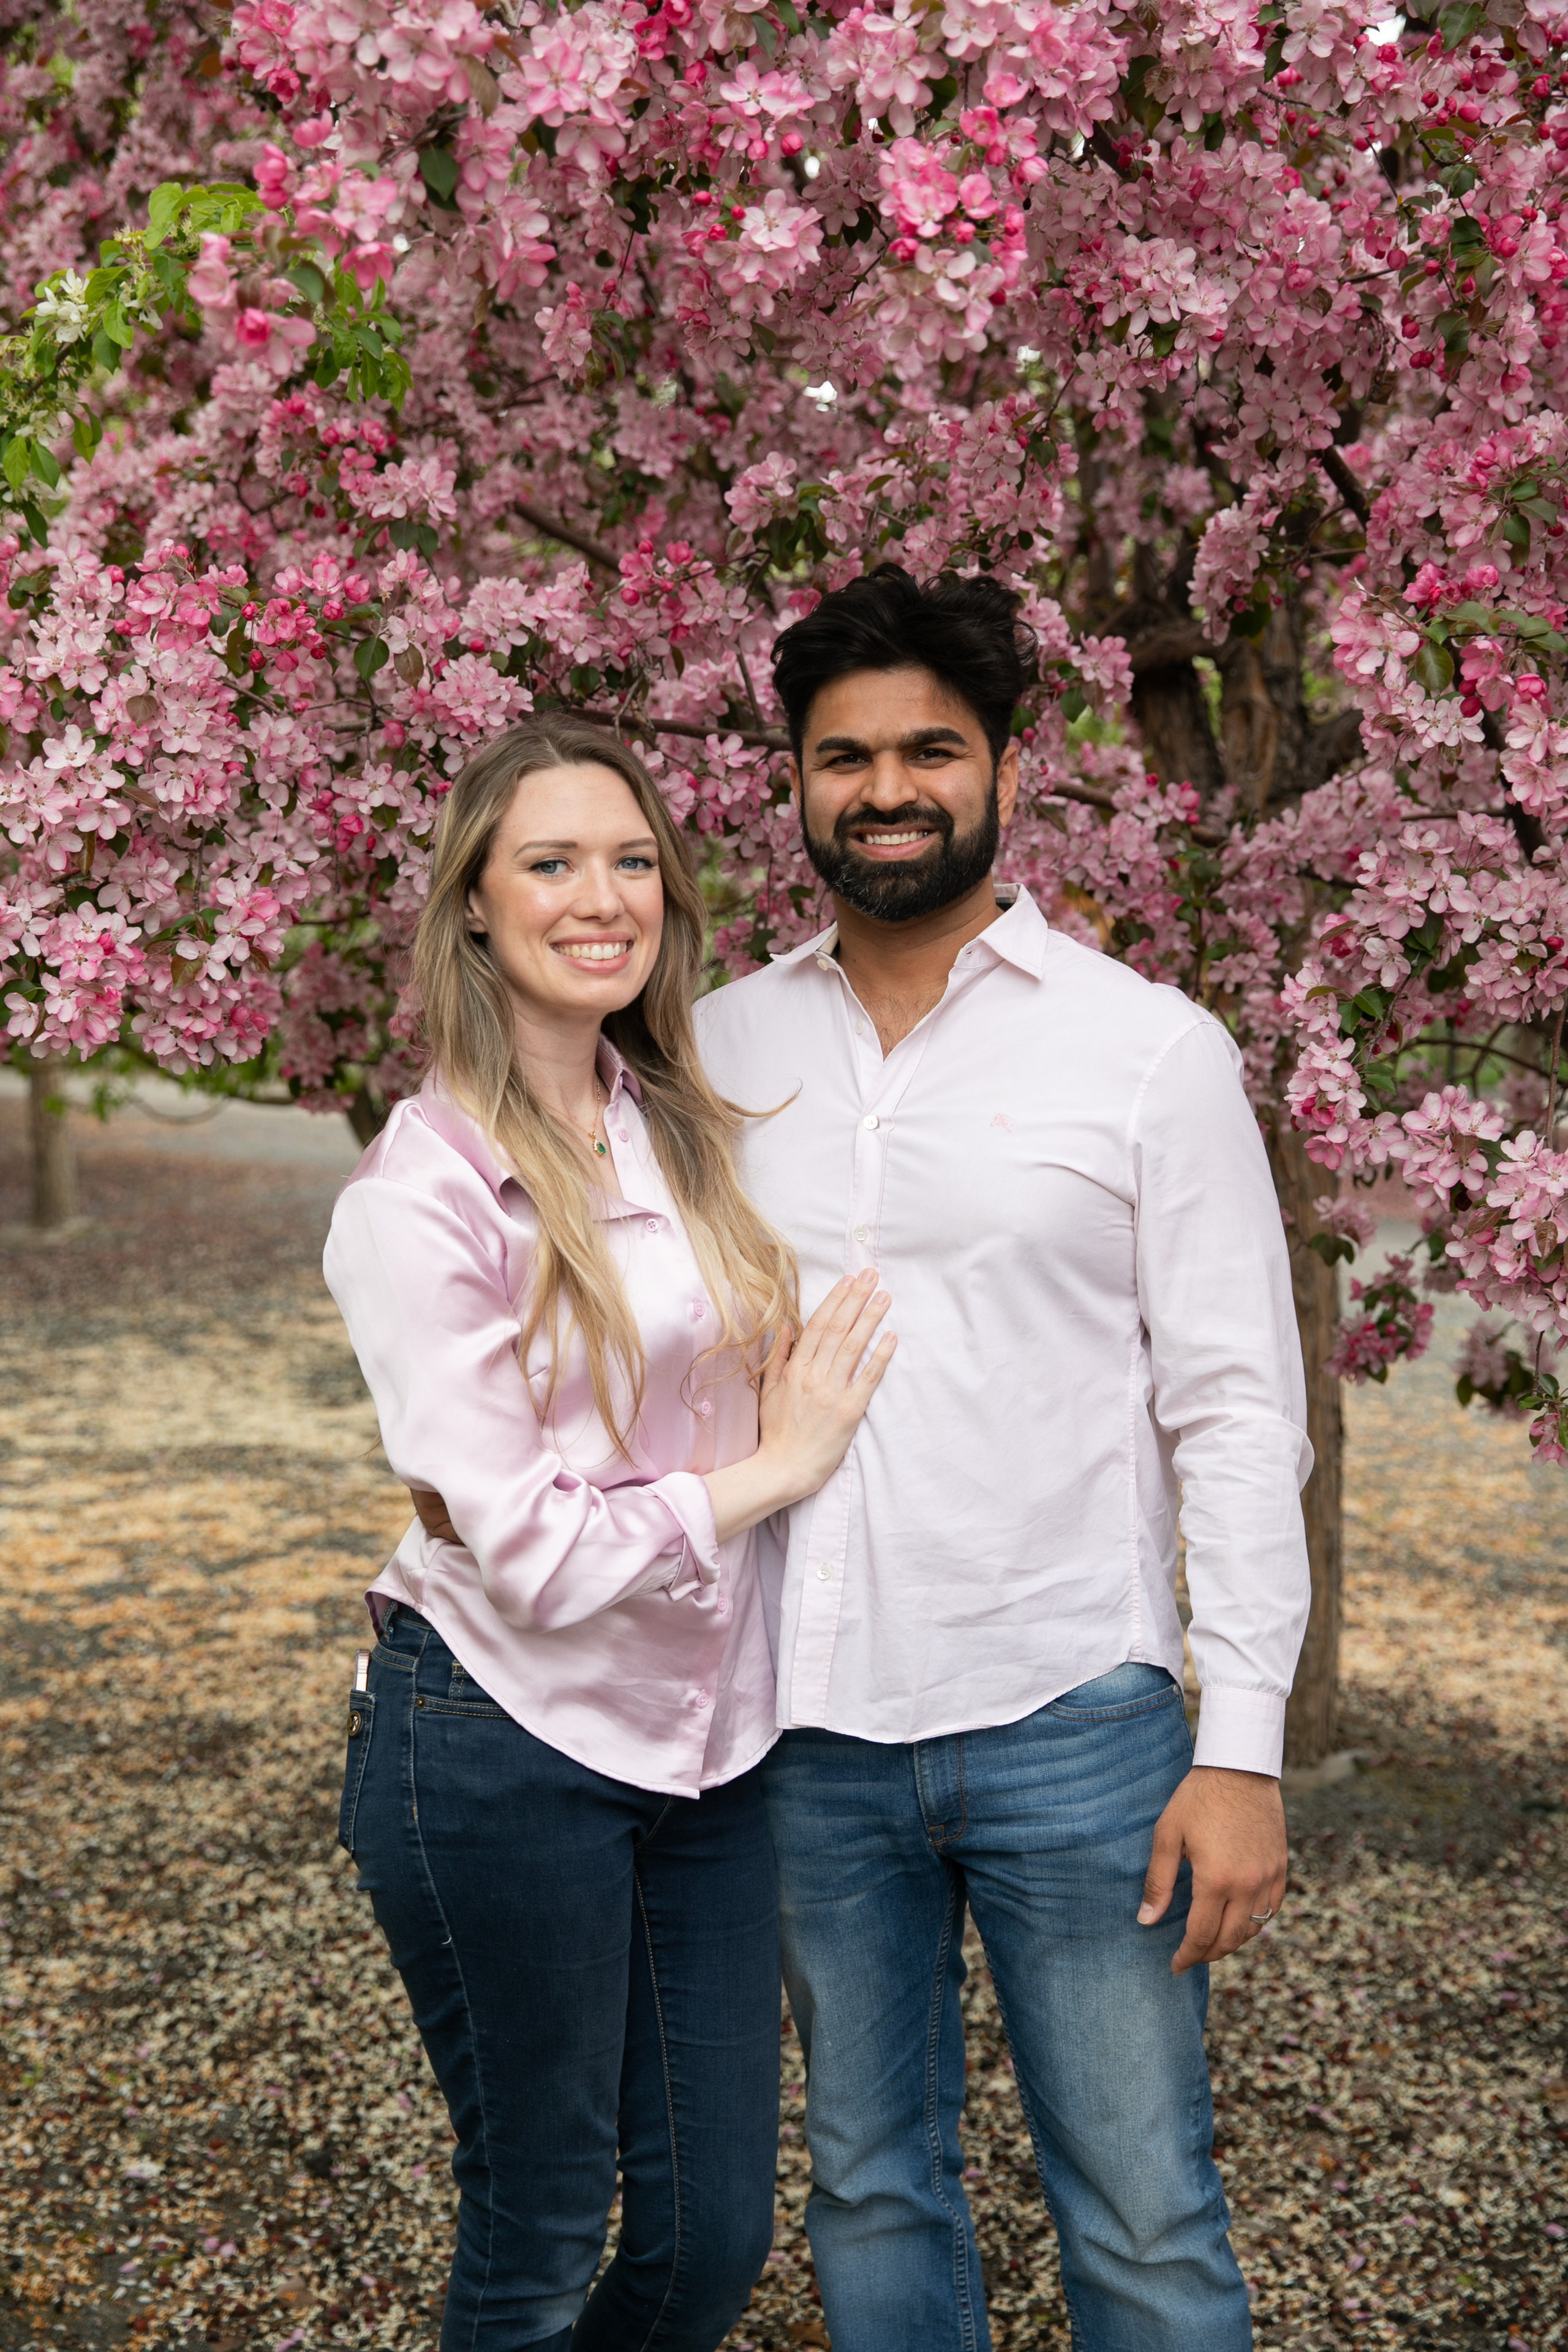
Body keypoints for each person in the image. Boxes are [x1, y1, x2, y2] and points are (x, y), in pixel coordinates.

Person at [691, 565, 1313, 2351]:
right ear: (796, 783)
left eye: (930, 751)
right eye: (844, 757)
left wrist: (1242, 1748)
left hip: (1075, 1720)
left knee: (1145, 2210)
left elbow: (1236, 1410)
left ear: (1007, 772)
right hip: (804, 1728)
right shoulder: (713, 1052)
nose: (886, 789)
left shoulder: (1149, 1052)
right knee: (869, 2187)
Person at [323, 715, 895, 2352]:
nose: (603, 896)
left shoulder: (681, 1126)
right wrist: (776, 1469)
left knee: (713, 2237)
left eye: (633, 859)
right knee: (542, 2225)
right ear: (477, 904)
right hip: (496, 1740)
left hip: (708, 1747)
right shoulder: (418, 1202)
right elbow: (530, 1555)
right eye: (553, 862)